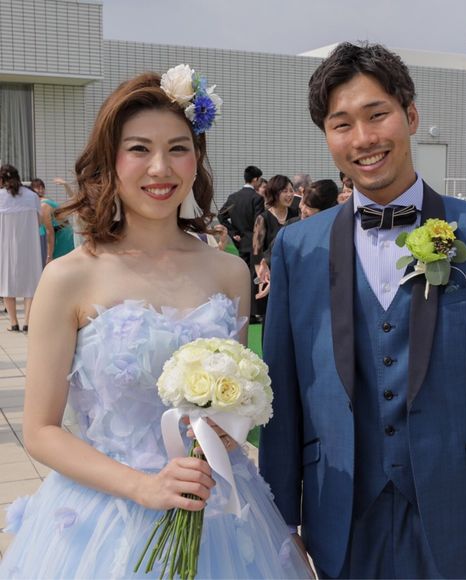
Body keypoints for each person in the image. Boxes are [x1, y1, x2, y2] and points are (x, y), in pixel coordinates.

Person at [260, 42, 466, 580]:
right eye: (342, 124)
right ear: (327, 136)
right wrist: (280, 525)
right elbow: (283, 391)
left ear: (411, 115)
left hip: (463, 515)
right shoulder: (296, 248)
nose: (363, 138)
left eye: (377, 115)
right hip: (338, 517)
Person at [0, 68, 311, 579]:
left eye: (178, 149)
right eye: (139, 149)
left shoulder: (228, 271)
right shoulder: (68, 277)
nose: (160, 168)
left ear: (196, 159)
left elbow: (232, 404)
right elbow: (39, 431)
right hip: (106, 516)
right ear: (110, 160)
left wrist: (227, 430)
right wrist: (143, 486)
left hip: (219, 509)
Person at [0, 165, 43, 332]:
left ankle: (13, 323)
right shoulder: (32, 196)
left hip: (5, 244)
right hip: (29, 244)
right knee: (30, 281)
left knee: (5, 280)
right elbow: (38, 221)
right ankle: (28, 322)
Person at [251, 175, 297, 309]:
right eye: (285, 191)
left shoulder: (296, 214)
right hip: (269, 274)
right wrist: (262, 278)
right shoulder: (263, 218)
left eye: (291, 190)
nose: (290, 195)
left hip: (292, 273)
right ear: (274, 193)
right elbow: (256, 252)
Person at [217, 165, 264, 267]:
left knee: (243, 270)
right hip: (254, 244)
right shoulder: (257, 198)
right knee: (254, 273)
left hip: (239, 242)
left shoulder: (233, 197)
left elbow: (221, 216)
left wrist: (233, 232)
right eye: (260, 179)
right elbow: (259, 222)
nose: (260, 182)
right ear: (255, 179)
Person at [29, 178, 56, 267]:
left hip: (51, 236)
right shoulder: (42, 201)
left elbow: (49, 230)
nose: (41, 190)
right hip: (49, 235)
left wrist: (49, 255)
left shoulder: (43, 203)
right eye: (38, 188)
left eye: (42, 188)